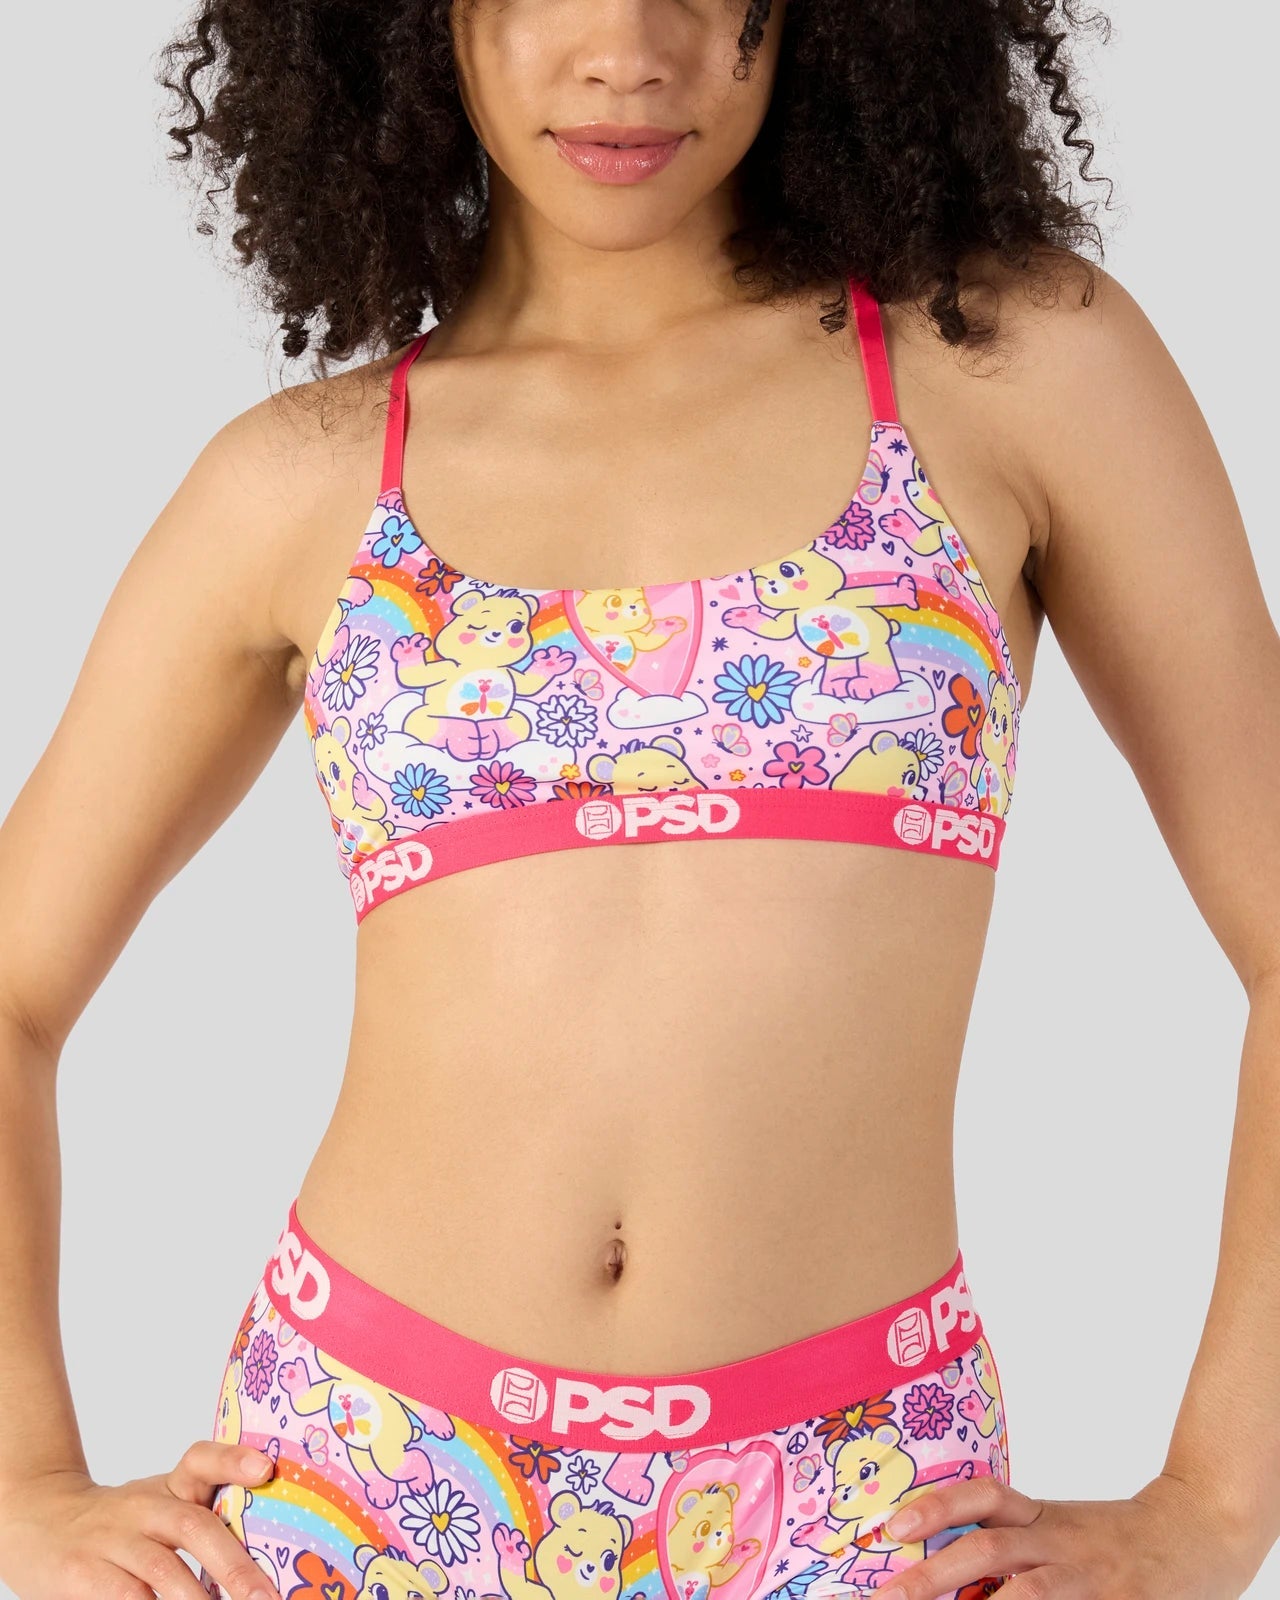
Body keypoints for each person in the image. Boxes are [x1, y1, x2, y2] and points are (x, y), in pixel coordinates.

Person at [1, 2, 1277, 1598]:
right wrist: (23, 1481)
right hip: (363, 1468)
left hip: (861, 1493)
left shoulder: (1003, 360)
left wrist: (1218, 1504)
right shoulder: (301, 477)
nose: (627, 52)